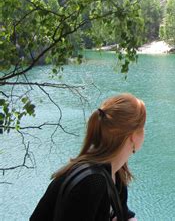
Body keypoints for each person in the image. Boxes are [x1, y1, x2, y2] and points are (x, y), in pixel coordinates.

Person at [30, 93, 146, 221]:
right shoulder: (92, 182)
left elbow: (124, 214)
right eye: (142, 127)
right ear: (133, 136)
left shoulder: (116, 172)